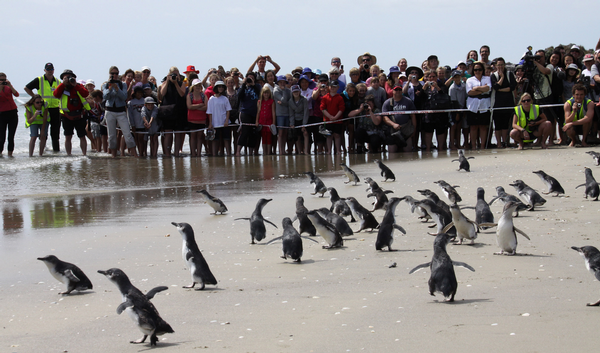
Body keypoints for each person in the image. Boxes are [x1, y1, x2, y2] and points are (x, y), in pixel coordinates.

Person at [24, 63, 62, 152]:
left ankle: (56, 151)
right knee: (43, 131)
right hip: (44, 108)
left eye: (51, 69)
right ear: (44, 70)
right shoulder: (39, 79)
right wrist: (35, 98)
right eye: (48, 69)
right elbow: (26, 88)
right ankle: (43, 150)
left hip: (55, 108)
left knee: (55, 131)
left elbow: (61, 94)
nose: (50, 70)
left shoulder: (58, 81)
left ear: (54, 70)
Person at [102, 66, 137, 158]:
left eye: (116, 73)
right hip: (109, 111)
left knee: (127, 133)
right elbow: (105, 96)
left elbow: (124, 96)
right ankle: (114, 155)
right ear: (109, 74)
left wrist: (117, 88)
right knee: (111, 135)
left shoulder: (122, 85)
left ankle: (135, 154)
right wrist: (110, 87)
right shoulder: (105, 85)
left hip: (121, 111)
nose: (114, 75)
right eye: (112, 73)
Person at [53, 69, 90, 156]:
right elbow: (55, 95)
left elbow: (85, 93)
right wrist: (63, 84)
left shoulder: (78, 86)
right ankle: (68, 154)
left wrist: (75, 85)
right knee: (68, 136)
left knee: (82, 136)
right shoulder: (61, 87)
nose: (69, 79)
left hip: (79, 114)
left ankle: (84, 154)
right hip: (66, 115)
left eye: (70, 77)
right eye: (66, 77)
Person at [158, 67, 186, 157]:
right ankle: (167, 154)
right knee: (168, 133)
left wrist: (176, 83)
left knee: (178, 134)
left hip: (179, 110)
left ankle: (177, 153)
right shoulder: (165, 83)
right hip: (168, 111)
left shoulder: (182, 83)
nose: (174, 76)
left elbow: (182, 94)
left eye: (176, 74)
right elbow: (162, 93)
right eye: (172, 74)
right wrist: (167, 80)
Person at [382, 84, 417, 153]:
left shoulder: (408, 101)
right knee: (392, 153)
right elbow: (385, 117)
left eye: (399, 90)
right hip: (393, 131)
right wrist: (393, 124)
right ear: (392, 91)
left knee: (408, 152)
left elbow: (413, 116)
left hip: (406, 130)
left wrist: (414, 129)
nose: (398, 91)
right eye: (396, 89)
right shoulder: (387, 102)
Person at [490, 57, 517, 148]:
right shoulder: (493, 75)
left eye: (502, 65)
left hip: (508, 103)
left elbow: (512, 87)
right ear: (496, 66)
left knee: (506, 124)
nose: (500, 66)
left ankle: (505, 142)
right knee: (498, 125)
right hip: (497, 103)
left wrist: (500, 89)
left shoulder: (509, 74)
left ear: (504, 65)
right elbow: (495, 87)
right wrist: (501, 78)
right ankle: (499, 143)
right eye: (498, 65)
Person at [466, 62, 492, 149]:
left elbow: (488, 88)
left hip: (485, 105)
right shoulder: (470, 80)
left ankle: (483, 146)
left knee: (483, 127)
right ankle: (473, 146)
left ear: (482, 70)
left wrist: (476, 88)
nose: (478, 71)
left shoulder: (487, 78)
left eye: (479, 69)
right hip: (473, 105)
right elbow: (469, 92)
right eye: (476, 70)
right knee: (473, 127)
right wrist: (482, 90)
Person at [421, 70, 448, 152]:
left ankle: (440, 149)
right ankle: (428, 150)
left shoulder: (441, 85)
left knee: (440, 132)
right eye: (430, 77)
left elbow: (444, 95)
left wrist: (437, 87)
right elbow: (420, 97)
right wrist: (424, 87)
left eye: (433, 76)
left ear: (436, 77)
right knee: (428, 132)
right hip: (428, 113)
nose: (432, 78)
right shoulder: (426, 86)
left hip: (439, 113)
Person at [236, 72, 261, 156]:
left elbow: (260, 94)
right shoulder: (243, 87)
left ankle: (251, 152)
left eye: (252, 78)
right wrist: (243, 84)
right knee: (244, 132)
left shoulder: (257, 86)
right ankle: (238, 151)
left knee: (253, 133)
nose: (250, 79)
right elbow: (239, 96)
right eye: (249, 78)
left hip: (255, 112)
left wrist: (253, 85)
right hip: (245, 112)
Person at [207, 81, 232, 156]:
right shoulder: (211, 99)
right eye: (219, 86)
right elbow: (210, 112)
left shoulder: (225, 98)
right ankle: (214, 156)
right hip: (215, 123)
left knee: (227, 139)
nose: (220, 88)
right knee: (215, 140)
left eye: (222, 87)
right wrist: (210, 123)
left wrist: (227, 121)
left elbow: (228, 110)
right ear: (216, 88)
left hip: (224, 123)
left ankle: (228, 155)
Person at [320, 80, 345, 154]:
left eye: (334, 87)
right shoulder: (325, 97)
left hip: (338, 120)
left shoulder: (340, 98)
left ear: (338, 87)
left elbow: (341, 109)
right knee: (329, 136)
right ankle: (329, 151)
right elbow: (322, 108)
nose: (333, 88)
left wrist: (335, 117)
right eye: (331, 87)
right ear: (328, 87)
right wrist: (330, 116)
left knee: (337, 135)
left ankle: (338, 150)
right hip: (328, 120)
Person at [186, 79, 207, 157]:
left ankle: (199, 153)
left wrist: (195, 107)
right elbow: (189, 106)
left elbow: (206, 107)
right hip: (192, 119)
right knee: (193, 136)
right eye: (196, 86)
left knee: (200, 136)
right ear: (193, 87)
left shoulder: (203, 95)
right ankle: (193, 153)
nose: (198, 87)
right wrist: (199, 105)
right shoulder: (189, 95)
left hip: (201, 119)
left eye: (199, 85)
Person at [449, 70, 468, 149]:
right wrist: (457, 113)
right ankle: (452, 144)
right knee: (453, 127)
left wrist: (463, 110)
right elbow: (453, 101)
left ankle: (458, 143)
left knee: (459, 127)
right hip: (454, 109)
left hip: (462, 108)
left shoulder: (464, 86)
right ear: (453, 78)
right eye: (455, 77)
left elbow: (466, 97)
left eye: (458, 77)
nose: (457, 78)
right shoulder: (452, 88)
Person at [288, 85, 309, 154]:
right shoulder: (290, 101)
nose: (296, 93)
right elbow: (291, 114)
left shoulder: (304, 99)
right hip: (295, 120)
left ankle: (306, 151)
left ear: (299, 92)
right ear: (292, 93)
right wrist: (292, 124)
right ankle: (299, 152)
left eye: (297, 91)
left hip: (304, 119)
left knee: (305, 133)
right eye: (294, 92)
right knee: (298, 136)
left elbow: (306, 112)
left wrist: (304, 125)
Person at [273, 75, 291, 154]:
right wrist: (283, 92)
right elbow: (283, 100)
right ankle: (281, 150)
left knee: (285, 133)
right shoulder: (276, 90)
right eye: (281, 82)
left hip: (287, 114)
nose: (283, 84)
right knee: (280, 133)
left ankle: (284, 149)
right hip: (279, 114)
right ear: (278, 83)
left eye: (284, 82)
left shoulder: (288, 90)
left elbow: (290, 102)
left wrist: (284, 103)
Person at [255, 85, 275, 155]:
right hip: (262, 122)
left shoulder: (272, 101)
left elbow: (273, 112)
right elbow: (258, 112)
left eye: (267, 93)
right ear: (262, 94)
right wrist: (257, 121)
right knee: (263, 137)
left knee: (269, 137)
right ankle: (264, 152)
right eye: (265, 93)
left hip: (269, 122)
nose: (266, 94)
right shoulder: (259, 101)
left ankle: (269, 152)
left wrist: (273, 123)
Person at [127, 86, 146, 156]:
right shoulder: (130, 102)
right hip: (134, 124)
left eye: (141, 93)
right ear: (134, 93)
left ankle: (142, 153)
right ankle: (138, 153)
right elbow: (130, 115)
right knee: (136, 140)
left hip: (142, 124)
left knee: (142, 139)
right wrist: (132, 125)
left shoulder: (145, 101)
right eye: (138, 93)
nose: (140, 94)